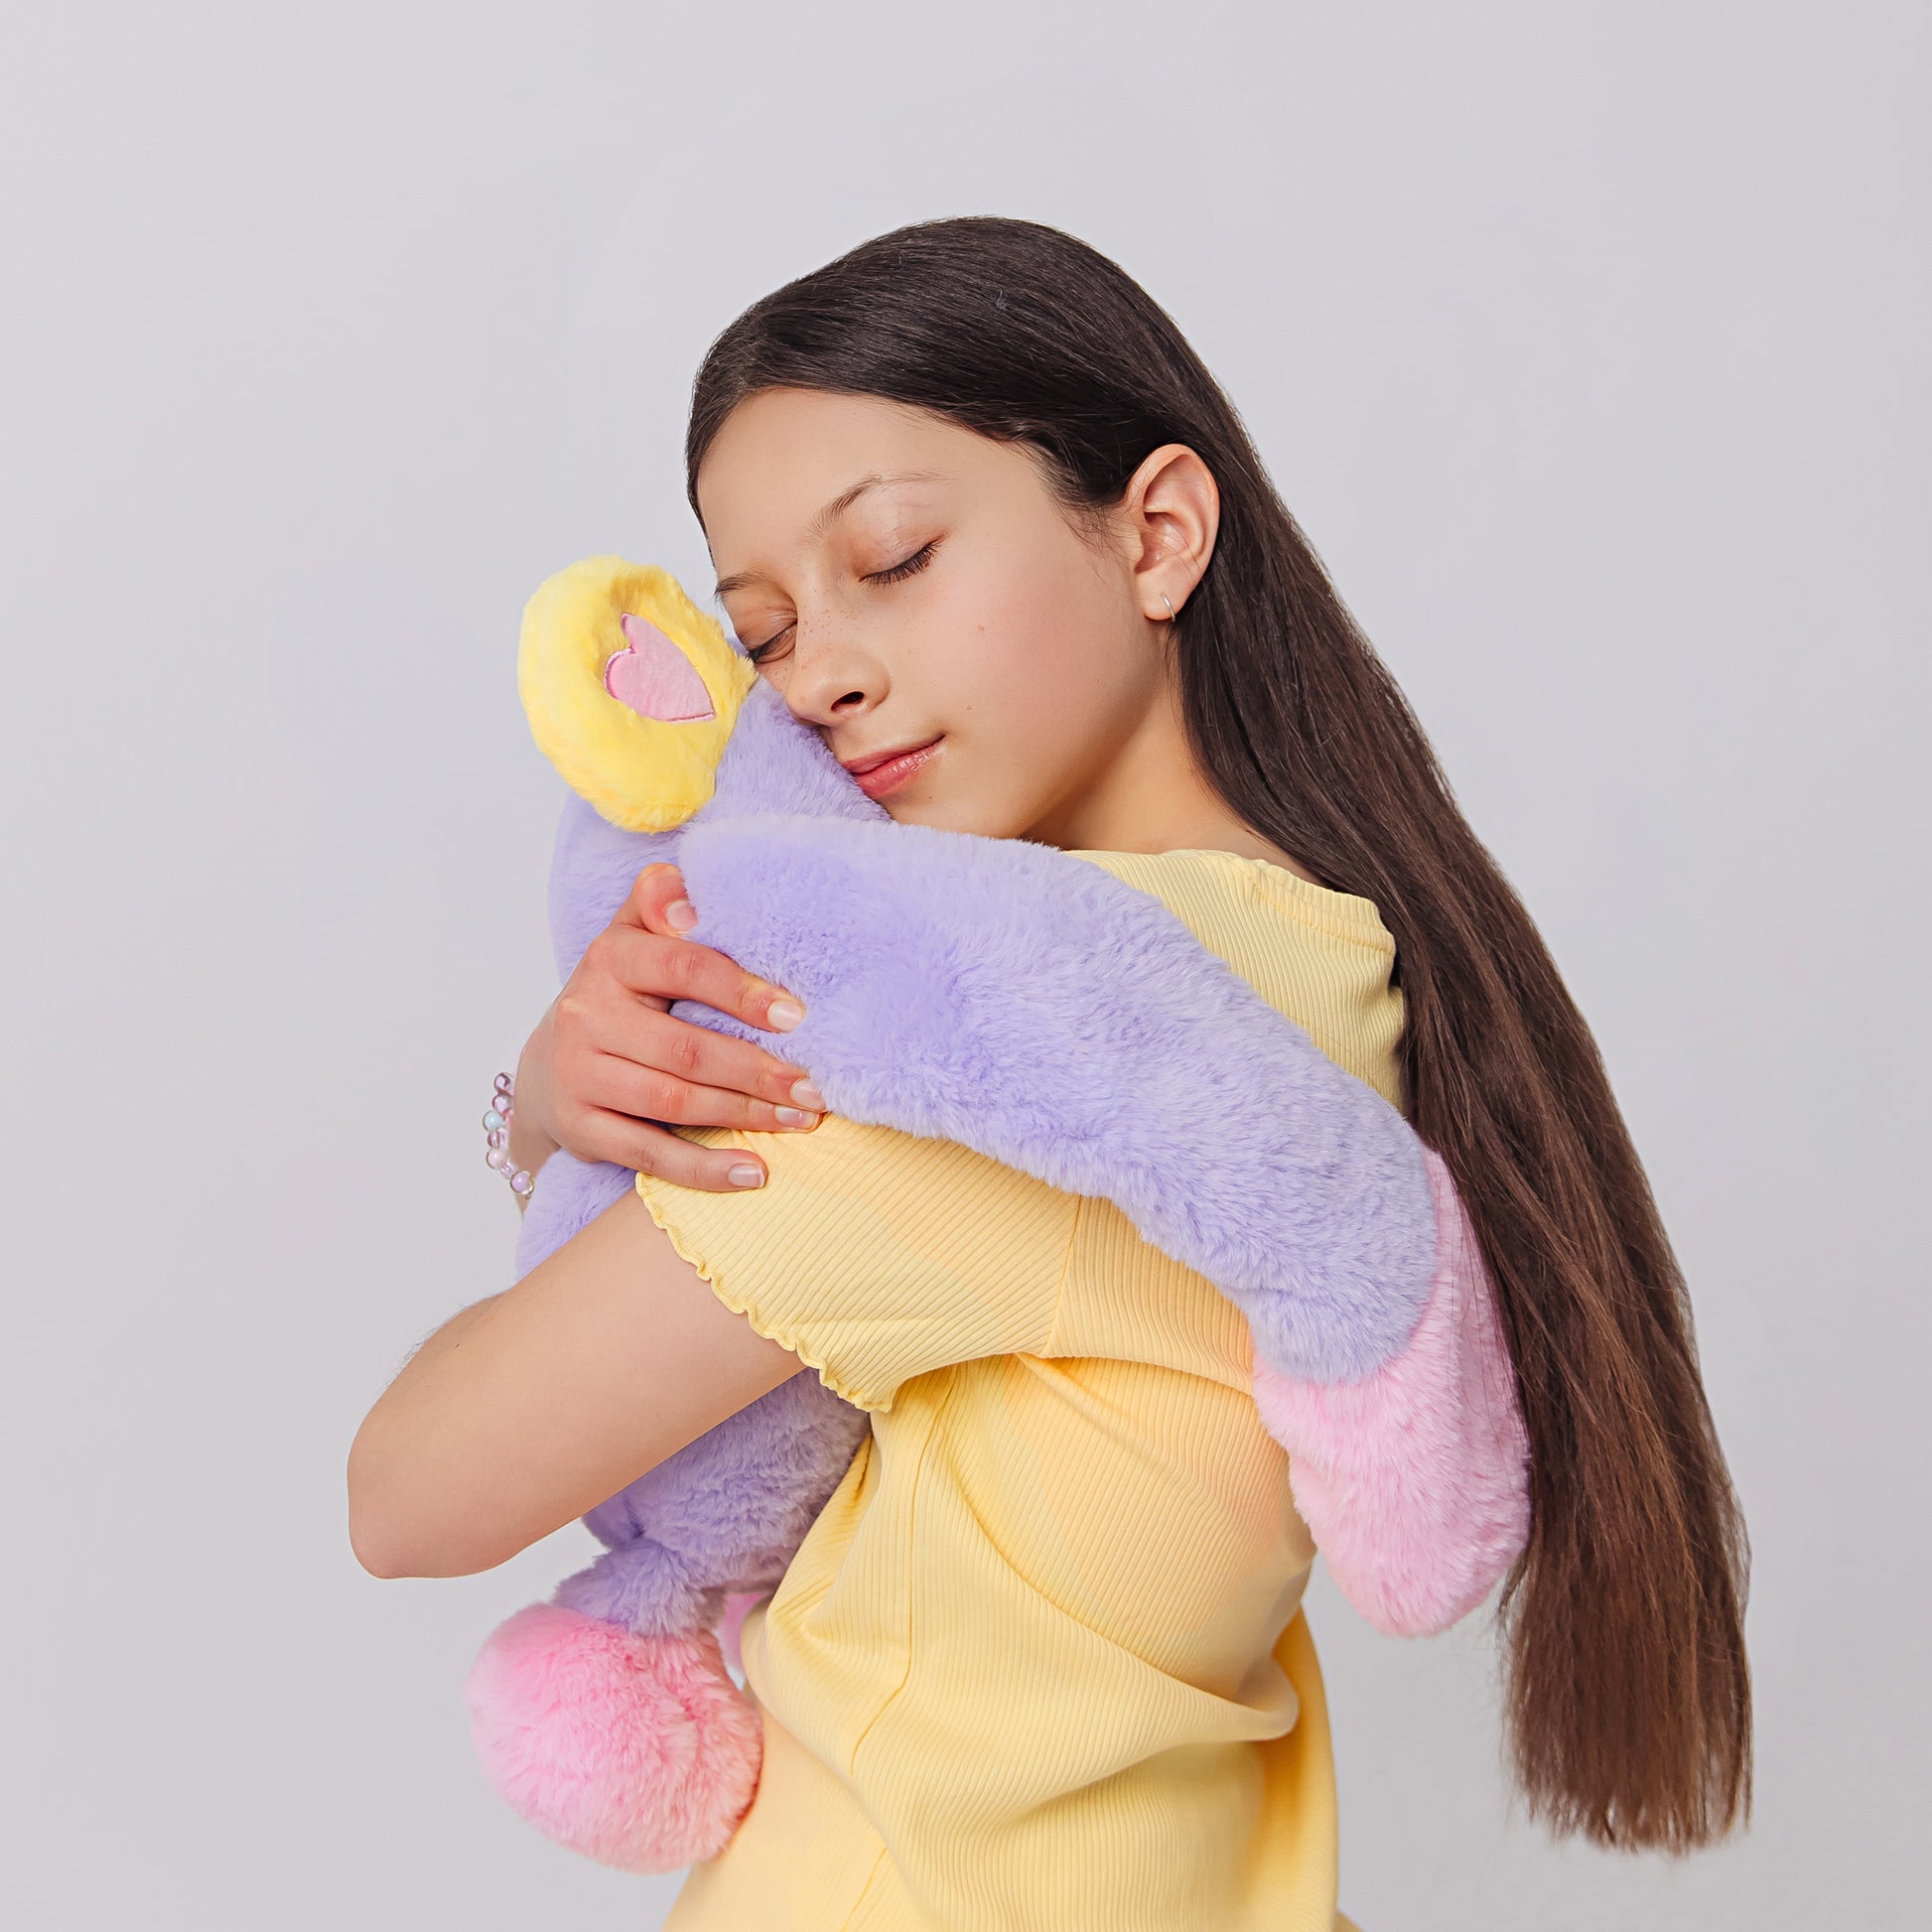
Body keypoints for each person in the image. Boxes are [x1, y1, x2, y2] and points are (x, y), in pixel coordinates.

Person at [348, 217, 1751, 1929]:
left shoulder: (1023, 1074)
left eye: (896, 556)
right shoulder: (1317, 977)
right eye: (767, 631)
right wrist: (557, 1100)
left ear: (1156, 531)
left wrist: (538, 1112)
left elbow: (409, 1492)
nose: (832, 675)